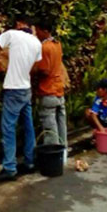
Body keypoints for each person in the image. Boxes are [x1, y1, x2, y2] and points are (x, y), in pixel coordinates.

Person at [0, 14, 42, 181]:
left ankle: (9, 167)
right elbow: (35, 66)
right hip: (26, 88)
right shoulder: (37, 43)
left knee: (9, 129)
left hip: (13, 88)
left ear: (20, 23)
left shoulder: (12, 34)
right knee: (28, 126)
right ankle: (30, 161)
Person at [33, 19, 67, 148]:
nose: (36, 34)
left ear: (45, 31)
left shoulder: (44, 47)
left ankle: (54, 157)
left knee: (50, 130)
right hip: (59, 90)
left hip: (48, 91)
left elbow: (45, 71)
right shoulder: (57, 44)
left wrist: (33, 71)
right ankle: (63, 154)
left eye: (38, 31)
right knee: (61, 125)